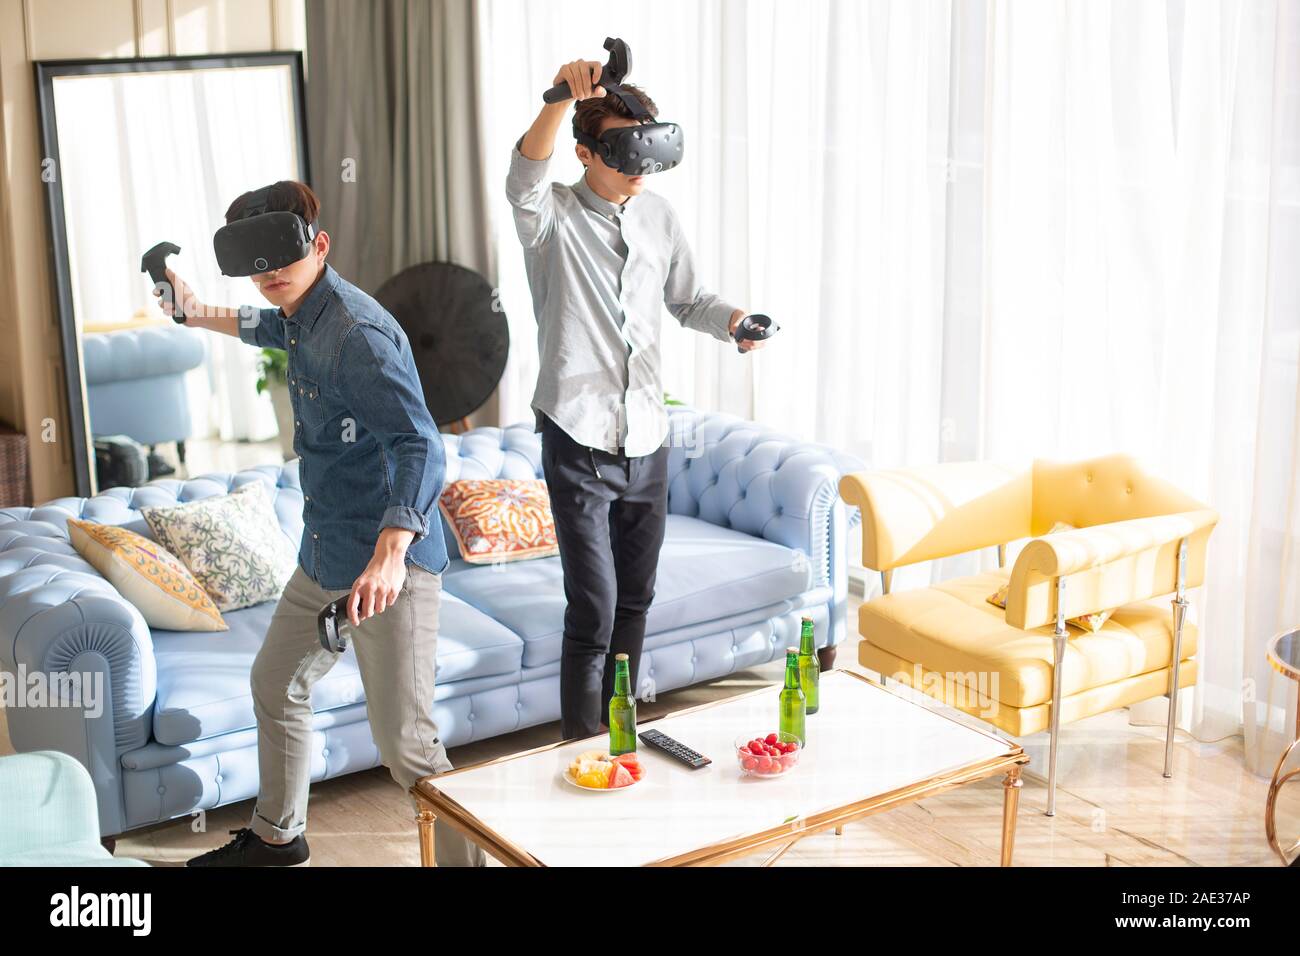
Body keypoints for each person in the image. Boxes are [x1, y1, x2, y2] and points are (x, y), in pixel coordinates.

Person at [155, 180, 483, 867]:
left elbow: (420, 443)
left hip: (387, 567)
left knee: (408, 747)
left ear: (319, 244)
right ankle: (279, 836)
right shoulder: (302, 312)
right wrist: (191, 312)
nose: (270, 272)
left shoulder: (357, 334)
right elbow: (266, 326)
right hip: (326, 550)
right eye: (256, 260)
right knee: (276, 686)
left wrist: (392, 552)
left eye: (282, 254)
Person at [506, 59, 765, 740]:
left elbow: (688, 300)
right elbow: (524, 173)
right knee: (593, 607)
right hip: (578, 436)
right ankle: (578, 751)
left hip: (648, 435)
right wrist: (561, 98)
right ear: (587, 154)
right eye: (623, 151)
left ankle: (619, 737)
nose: (639, 165)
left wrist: (734, 321)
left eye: (648, 145)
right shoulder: (551, 216)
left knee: (637, 600)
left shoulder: (657, 214)